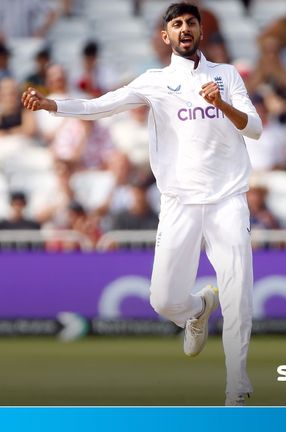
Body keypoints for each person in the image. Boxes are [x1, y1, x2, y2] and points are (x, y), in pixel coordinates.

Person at [21, 3, 263, 406]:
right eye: (176, 24)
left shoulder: (226, 75)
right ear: (165, 36)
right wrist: (53, 105)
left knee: (239, 293)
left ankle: (237, 385)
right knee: (163, 300)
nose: (184, 29)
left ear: (200, 31)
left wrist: (221, 103)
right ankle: (197, 308)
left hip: (227, 199)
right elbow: (101, 105)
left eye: (190, 23)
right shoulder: (155, 81)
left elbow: (253, 128)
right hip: (179, 202)